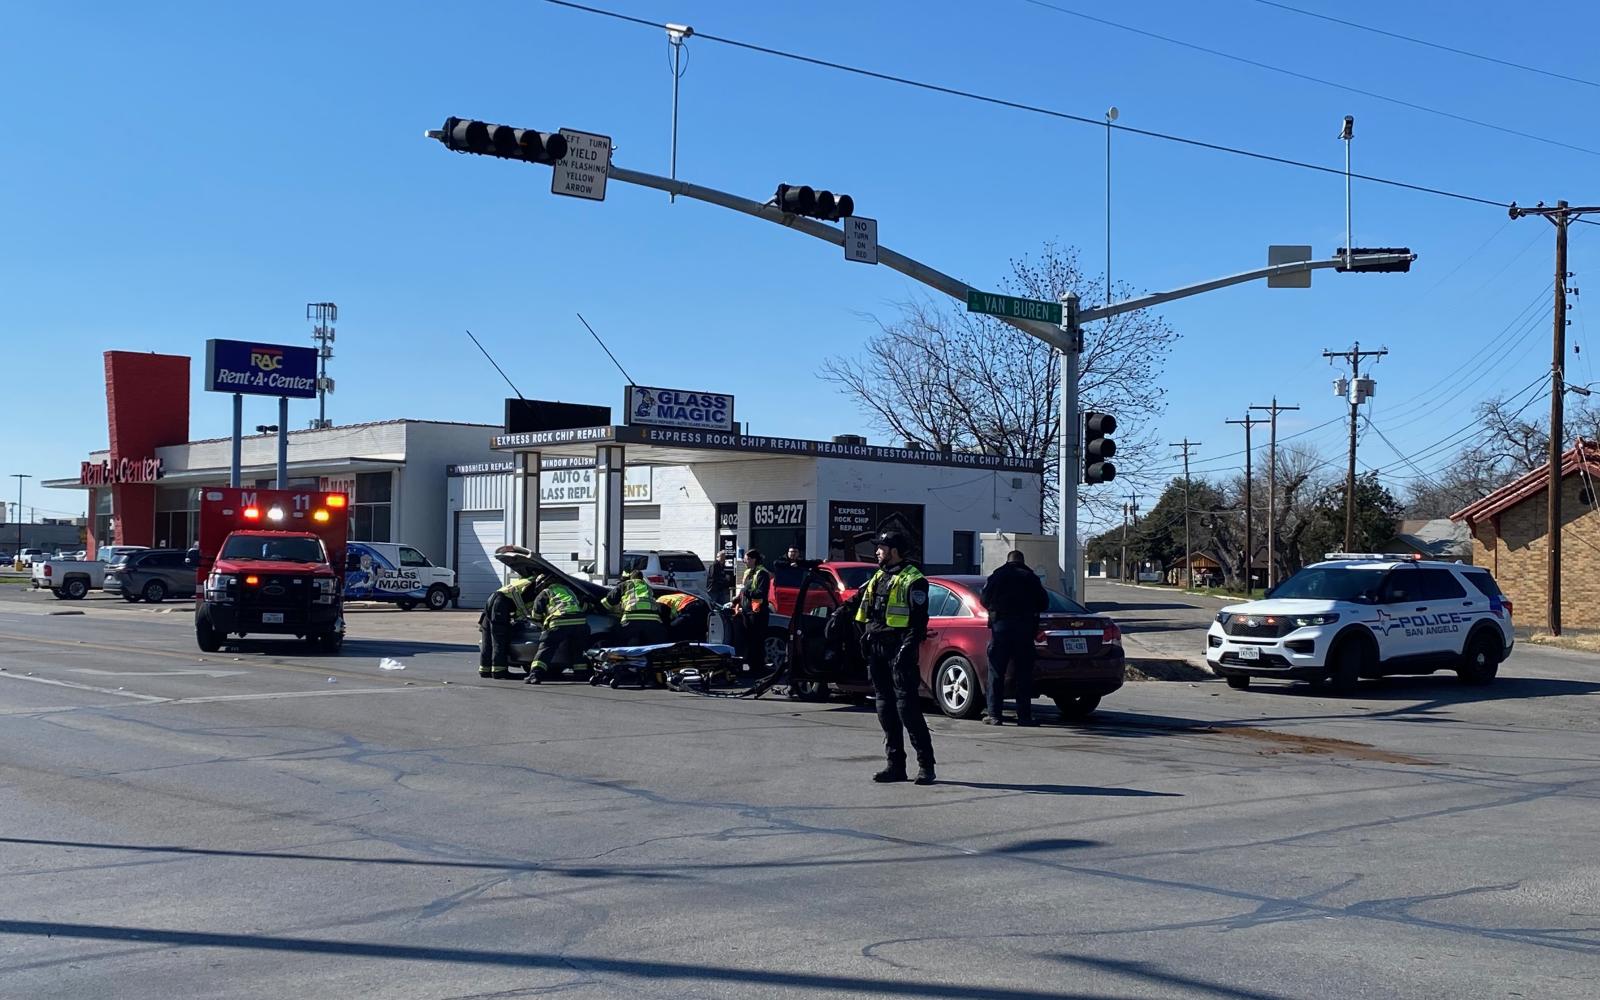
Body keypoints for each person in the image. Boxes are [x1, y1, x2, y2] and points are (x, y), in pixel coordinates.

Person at [842, 530, 936, 785]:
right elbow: (858, 601)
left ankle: (926, 766)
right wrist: (840, 613)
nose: (877, 551)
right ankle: (895, 765)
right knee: (884, 708)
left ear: (894, 550)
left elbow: (918, 622)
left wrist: (907, 650)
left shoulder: (914, 580)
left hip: (899, 650)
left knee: (907, 709)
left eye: (881, 547)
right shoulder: (878, 576)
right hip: (876, 649)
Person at [979, 550, 1049, 726]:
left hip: (1001, 629)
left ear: (1008, 560)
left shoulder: (997, 575)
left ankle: (994, 715)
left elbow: (984, 599)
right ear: (1022, 561)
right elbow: (1044, 603)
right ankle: (1024, 717)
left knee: (996, 673)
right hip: (1025, 631)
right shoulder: (1031, 578)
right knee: (1023, 675)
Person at [525, 573, 591, 685]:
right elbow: (583, 606)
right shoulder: (569, 591)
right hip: (580, 623)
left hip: (559, 622)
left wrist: (541, 621)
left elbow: (536, 615)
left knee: (546, 649)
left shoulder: (545, 592)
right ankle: (581, 674)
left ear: (542, 584)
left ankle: (535, 675)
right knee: (578, 649)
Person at [481, 569, 540, 679]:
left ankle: (485, 669)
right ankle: (499, 671)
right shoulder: (535, 586)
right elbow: (524, 606)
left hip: (493, 598)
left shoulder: (525, 581)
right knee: (500, 637)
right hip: (501, 603)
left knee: (488, 638)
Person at [730, 548, 773, 672]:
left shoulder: (762, 573)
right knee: (749, 640)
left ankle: (758, 668)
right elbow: (744, 590)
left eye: (747, 559)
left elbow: (760, 593)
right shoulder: (749, 572)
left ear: (754, 559)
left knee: (757, 641)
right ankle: (750, 665)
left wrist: (746, 592)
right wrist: (737, 599)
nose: (745, 561)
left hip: (758, 613)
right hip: (747, 612)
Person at [604, 570, 668, 647]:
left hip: (631, 620)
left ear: (631, 578)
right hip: (653, 621)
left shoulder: (626, 584)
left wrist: (600, 607)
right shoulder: (648, 587)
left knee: (621, 642)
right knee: (654, 647)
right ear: (642, 578)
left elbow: (610, 600)